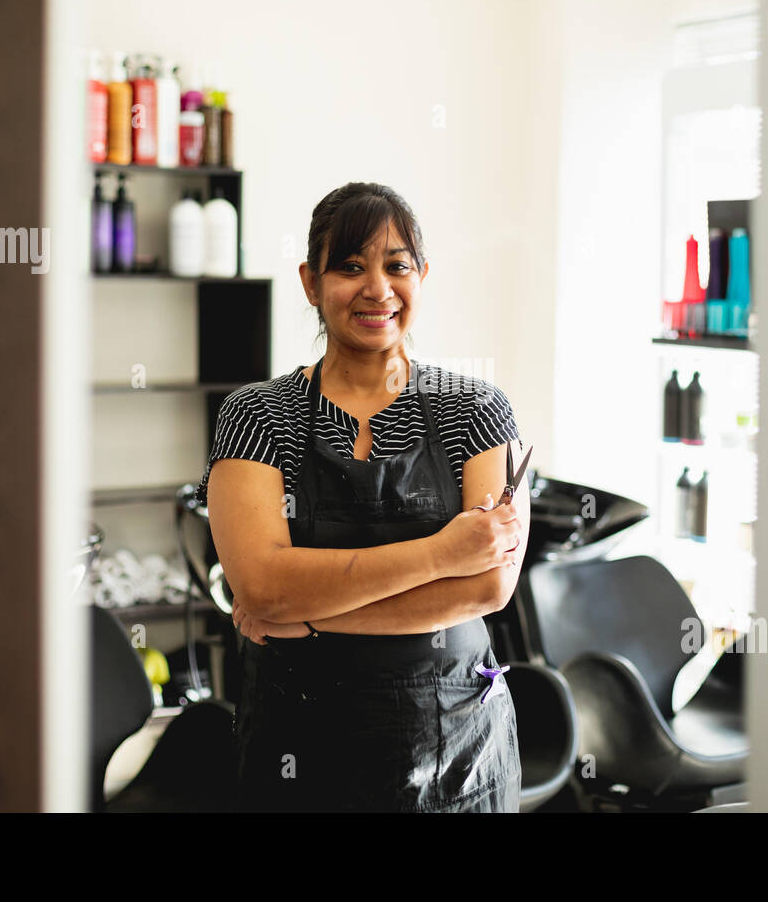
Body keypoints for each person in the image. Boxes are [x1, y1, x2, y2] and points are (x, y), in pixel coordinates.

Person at [196, 182, 529, 812]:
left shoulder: (479, 412)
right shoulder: (259, 417)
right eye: (350, 266)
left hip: (455, 752)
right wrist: (441, 553)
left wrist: (303, 615)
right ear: (309, 281)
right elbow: (262, 585)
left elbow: (487, 588)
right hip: (298, 751)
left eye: (396, 266)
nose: (377, 288)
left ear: (421, 276)